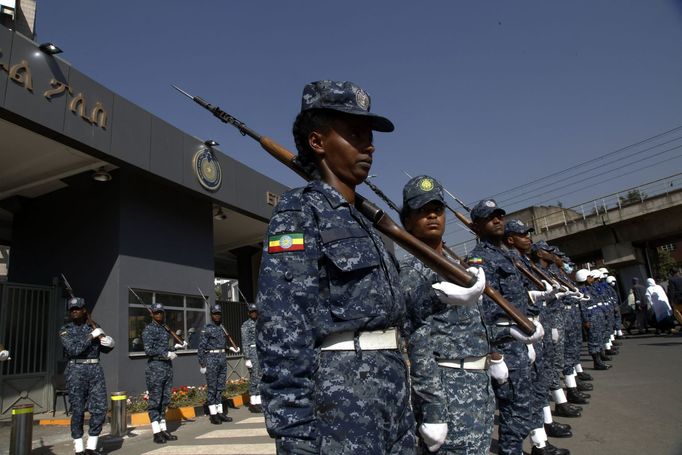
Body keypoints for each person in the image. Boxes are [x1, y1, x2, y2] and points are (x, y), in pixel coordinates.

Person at [256, 80, 416, 454]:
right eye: (355, 133)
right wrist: (294, 430)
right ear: (317, 142)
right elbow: (283, 327)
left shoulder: (367, 223)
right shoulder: (300, 212)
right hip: (341, 404)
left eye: (369, 135)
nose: (369, 145)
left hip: (393, 395)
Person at [399, 175, 491, 454]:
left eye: (437, 209)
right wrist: (434, 411)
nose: (432, 215)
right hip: (447, 390)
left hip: (478, 385)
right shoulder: (411, 273)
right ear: (406, 219)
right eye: (422, 210)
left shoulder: (457, 267)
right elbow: (417, 344)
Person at [467, 200, 550, 455]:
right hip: (504, 343)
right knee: (514, 410)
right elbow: (481, 311)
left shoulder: (507, 255)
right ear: (477, 226)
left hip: (519, 341)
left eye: (499, 216)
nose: (497, 220)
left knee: (522, 409)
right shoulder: (478, 259)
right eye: (489, 217)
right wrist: (495, 355)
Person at [59, 297, 115, 455]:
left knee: (100, 409)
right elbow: (73, 350)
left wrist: (109, 342)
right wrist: (91, 336)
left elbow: (105, 349)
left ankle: (91, 446)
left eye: (77, 308)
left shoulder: (94, 326)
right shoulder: (65, 330)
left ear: (85, 310)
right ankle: (79, 448)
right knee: (77, 410)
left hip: (95, 369)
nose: (74, 311)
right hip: (76, 370)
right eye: (72, 309)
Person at [142, 303, 183, 444]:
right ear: (152, 314)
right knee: (155, 400)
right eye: (156, 312)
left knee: (165, 400)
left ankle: (163, 429)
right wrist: (166, 353)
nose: (159, 315)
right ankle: (156, 432)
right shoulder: (149, 329)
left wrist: (174, 348)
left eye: (161, 312)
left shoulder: (164, 328)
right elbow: (148, 350)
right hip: (155, 368)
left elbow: (163, 347)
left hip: (166, 368)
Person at [198, 304, 237, 424]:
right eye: (215, 314)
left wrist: (230, 348)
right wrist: (202, 364)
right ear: (211, 315)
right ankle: (213, 414)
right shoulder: (207, 328)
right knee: (212, 388)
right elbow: (201, 347)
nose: (217, 316)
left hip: (222, 358)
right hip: (211, 359)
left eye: (219, 314)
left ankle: (220, 412)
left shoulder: (221, 328)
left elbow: (222, 344)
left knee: (220, 387)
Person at [241, 303, 262, 413]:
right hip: (252, 352)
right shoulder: (246, 325)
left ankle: (258, 401)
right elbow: (245, 342)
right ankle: (253, 403)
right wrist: (247, 357)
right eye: (252, 312)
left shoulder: (260, 323)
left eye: (255, 311)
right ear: (248, 313)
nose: (254, 313)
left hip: (260, 353)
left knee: (260, 377)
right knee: (254, 378)